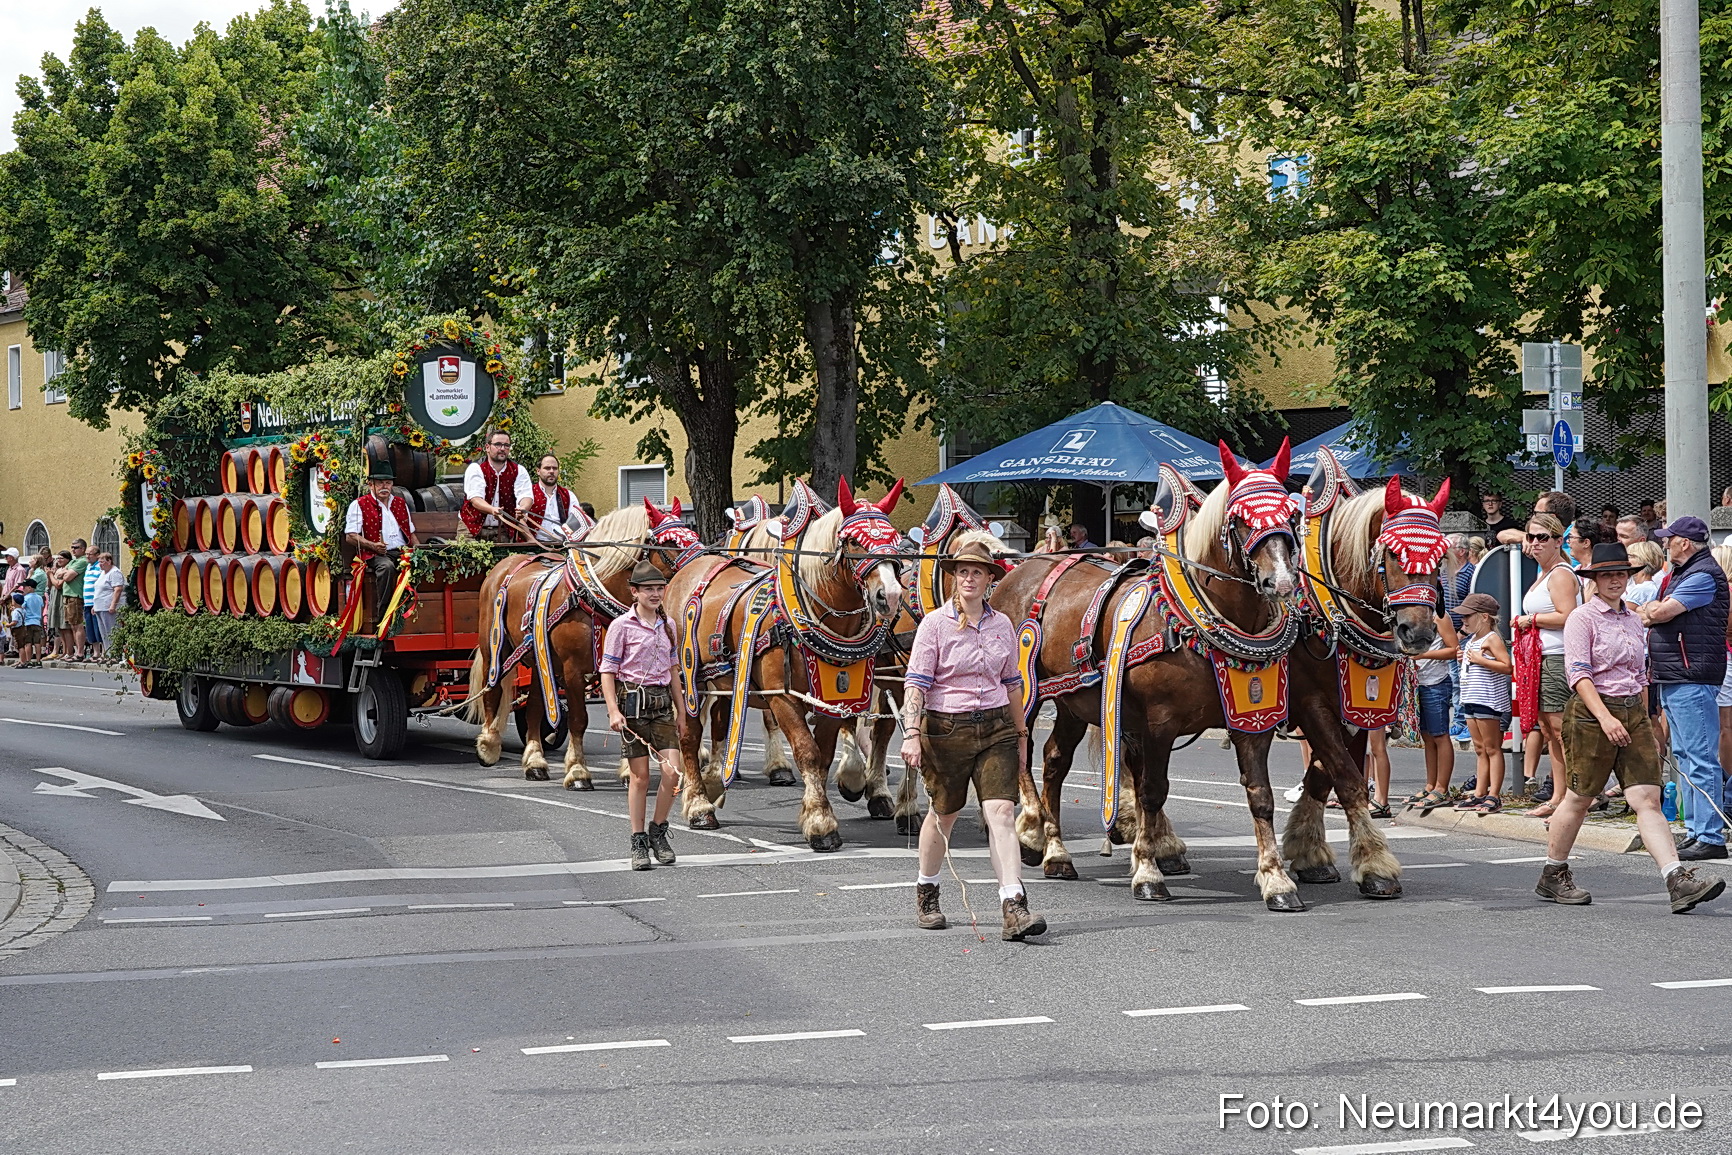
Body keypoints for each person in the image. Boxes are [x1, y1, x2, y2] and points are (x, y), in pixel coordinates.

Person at [1536, 543, 1725, 913]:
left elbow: (1640, 675)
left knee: (1647, 799)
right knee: (1580, 797)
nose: (1615, 580)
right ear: (1594, 580)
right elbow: (1579, 674)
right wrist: (1606, 719)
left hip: (1632, 712)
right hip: (1592, 714)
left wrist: (1647, 721)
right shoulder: (1582, 618)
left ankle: (1676, 879)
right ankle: (1553, 872)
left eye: (1620, 574)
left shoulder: (1634, 619)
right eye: (1607, 574)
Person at [901, 539, 1046, 941]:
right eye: (963, 571)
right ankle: (927, 888)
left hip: (997, 726)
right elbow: (916, 685)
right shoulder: (934, 624)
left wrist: (1021, 736)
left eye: (977, 572)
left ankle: (1014, 904)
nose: (969, 578)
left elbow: (1013, 684)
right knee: (944, 814)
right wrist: (912, 734)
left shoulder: (1002, 625)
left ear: (989, 580)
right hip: (947, 729)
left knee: (1000, 812)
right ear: (954, 577)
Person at [1638, 516, 1730, 860]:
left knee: (1700, 757)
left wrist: (1652, 611)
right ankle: (1696, 830)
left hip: (1692, 676)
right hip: (1676, 675)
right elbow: (1650, 610)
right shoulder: (1683, 573)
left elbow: (1659, 613)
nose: (1665, 543)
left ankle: (1709, 835)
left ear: (1685, 543)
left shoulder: (1702, 575)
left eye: (1669, 538)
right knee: (1685, 756)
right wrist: (1652, 610)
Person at [599, 559, 686, 871]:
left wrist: (682, 712)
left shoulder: (669, 625)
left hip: (662, 704)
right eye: (648, 589)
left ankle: (658, 830)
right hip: (632, 704)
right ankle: (638, 841)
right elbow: (607, 671)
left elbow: (674, 670)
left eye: (659, 588)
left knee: (673, 773)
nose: (655, 593)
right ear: (633, 592)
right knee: (640, 777)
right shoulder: (621, 626)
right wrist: (612, 710)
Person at [1514, 513, 1580, 816]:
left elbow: (1568, 615)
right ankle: (1558, 795)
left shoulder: (1561, 573)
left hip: (1557, 656)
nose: (1536, 543)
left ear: (1557, 541)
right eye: (1531, 537)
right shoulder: (1545, 572)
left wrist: (1532, 620)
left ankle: (1574, 796)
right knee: (1549, 729)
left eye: (1543, 537)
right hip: (1539, 658)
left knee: (1560, 728)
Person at [1456, 592, 1513, 812]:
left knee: (1492, 748)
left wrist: (1480, 660)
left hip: (1488, 699)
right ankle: (1480, 792)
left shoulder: (1492, 639)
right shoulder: (1473, 639)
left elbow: (1507, 665)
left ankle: (1494, 794)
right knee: (1479, 748)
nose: (1464, 620)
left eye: (1468, 616)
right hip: (1471, 697)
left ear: (1484, 617)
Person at [344, 460, 420, 626]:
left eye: (388, 482)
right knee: (386, 567)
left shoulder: (400, 503)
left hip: (401, 551)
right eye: (380, 483)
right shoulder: (359, 504)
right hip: (375, 554)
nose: (385, 486)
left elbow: (411, 533)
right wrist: (372, 545)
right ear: (371, 484)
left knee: (421, 565)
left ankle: (413, 612)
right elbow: (350, 536)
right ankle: (384, 615)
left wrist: (419, 552)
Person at [1407, 611, 1460, 813]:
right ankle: (1431, 784)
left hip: (1436, 682)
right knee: (1427, 737)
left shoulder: (1439, 616)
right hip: (1417, 682)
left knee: (1440, 735)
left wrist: (1423, 655)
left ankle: (1442, 788)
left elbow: (1454, 649)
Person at [460, 429, 531, 541]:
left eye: (506, 445)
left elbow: (525, 496)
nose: (502, 449)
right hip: (471, 528)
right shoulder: (476, 468)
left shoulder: (519, 470)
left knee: (507, 558)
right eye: (498, 444)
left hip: (503, 529)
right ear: (487, 447)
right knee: (467, 558)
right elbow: (475, 499)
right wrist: (491, 509)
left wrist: (523, 508)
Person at [520, 453, 594, 545]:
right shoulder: (527, 493)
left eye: (554, 468)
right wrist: (531, 541)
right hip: (533, 545)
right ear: (538, 471)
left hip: (563, 545)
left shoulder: (569, 495)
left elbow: (576, 522)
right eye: (547, 468)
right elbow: (520, 518)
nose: (551, 471)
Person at [89, 552, 124, 661]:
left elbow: (117, 589)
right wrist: (95, 605)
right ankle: (109, 654)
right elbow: (99, 590)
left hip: (108, 607)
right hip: (100, 607)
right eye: (99, 562)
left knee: (112, 631)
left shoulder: (114, 572)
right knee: (104, 632)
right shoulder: (103, 573)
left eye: (102, 562)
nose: (100, 565)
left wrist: (113, 604)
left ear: (109, 561)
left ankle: (115, 654)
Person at [60, 539, 88, 661]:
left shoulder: (82, 561)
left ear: (82, 549)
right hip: (68, 595)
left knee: (77, 625)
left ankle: (80, 653)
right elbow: (58, 573)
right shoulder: (73, 562)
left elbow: (67, 577)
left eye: (76, 547)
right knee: (72, 626)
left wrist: (65, 573)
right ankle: (76, 652)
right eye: (72, 547)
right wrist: (64, 572)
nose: (73, 549)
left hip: (75, 596)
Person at [14, 577, 44, 668]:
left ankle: (28, 660)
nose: (23, 589)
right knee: (37, 642)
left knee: (28, 643)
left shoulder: (26, 598)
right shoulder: (39, 598)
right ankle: (38, 661)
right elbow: (41, 608)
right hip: (37, 622)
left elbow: (22, 607)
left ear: (30, 588)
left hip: (27, 622)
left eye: (25, 587)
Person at [1625, 541, 1665, 606]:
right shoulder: (1648, 587)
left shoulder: (1641, 589)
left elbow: (1623, 614)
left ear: (1642, 560)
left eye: (1630, 556)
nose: (1626, 560)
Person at [80, 542, 100, 660]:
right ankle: (95, 652)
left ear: (97, 555)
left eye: (90, 554)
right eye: (86, 554)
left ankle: (102, 653)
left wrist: (96, 603)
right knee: (90, 629)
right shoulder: (88, 567)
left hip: (95, 603)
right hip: (87, 602)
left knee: (98, 628)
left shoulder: (100, 566)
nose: (87, 556)